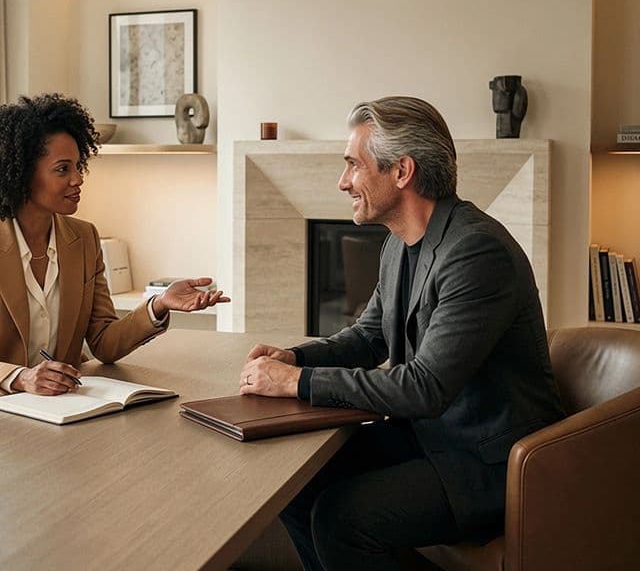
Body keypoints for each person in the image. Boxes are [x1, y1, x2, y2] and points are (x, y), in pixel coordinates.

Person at [239, 96, 565, 571]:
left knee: (341, 517)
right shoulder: (400, 241)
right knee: (291, 484)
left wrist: (295, 384)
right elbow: (369, 336)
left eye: (353, 164)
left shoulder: (476, 252)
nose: (343, 181)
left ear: (402, 171)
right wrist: (294, 359)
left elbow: (425, 386)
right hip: (430, 439)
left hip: (487, 462)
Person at [0, 94, 228, 426]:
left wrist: (158, 304)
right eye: (63, 169)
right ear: (20, 174)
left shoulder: (84, 239)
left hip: (42, 414)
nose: (78, 178)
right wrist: (23, 377)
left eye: (78, 166)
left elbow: (103, 341)